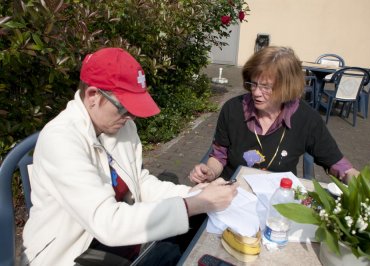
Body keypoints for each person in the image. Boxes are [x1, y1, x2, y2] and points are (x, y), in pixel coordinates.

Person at [21, 47, 238, 266]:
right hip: (71, 252)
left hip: (114, 240)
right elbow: (107, 223)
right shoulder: (60, 139)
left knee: (193, 232)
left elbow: (139, 182)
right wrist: (194, 204)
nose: (131, 116)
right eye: (124, 107)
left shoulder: (121, 127)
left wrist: (194, 193)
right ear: (93, 95)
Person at [189, 46, 359, 185]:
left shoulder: (306, 118)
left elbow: (336, 162)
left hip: (278, 199)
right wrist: (209, 172)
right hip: (231, 193)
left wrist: (356, 180)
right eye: (253, 84)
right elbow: (219, 156)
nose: (255, 92)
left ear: (287, 88)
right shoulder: (232, 109)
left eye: (265, 87)